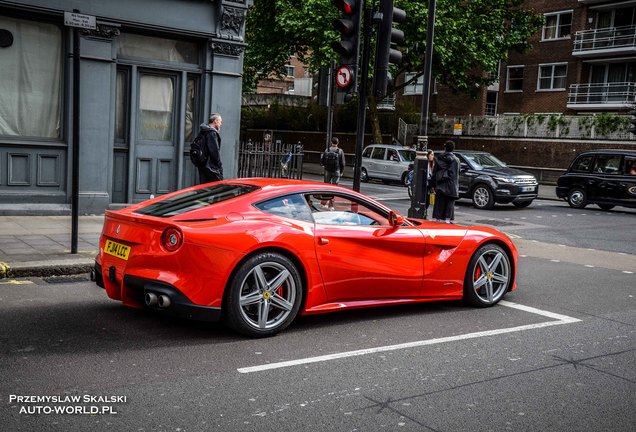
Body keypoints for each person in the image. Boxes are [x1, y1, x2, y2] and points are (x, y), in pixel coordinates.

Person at [431, 140, 460, 223]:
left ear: (445, 148)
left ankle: (438, 219)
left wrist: (433, 185)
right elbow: (457, 174)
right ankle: (447, 220)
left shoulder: (439, 158)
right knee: (450, 204)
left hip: (440, 184)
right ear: (453, 149)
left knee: (439, 203)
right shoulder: (456, 160)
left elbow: (434, 173)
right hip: (451, 186)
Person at [197, 113, 223, 184]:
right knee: (216, 188)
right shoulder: (212, 133)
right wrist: (219, 166)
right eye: (220, 121)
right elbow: (214, 152)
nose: (221, 124)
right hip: (211, 167)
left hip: (203, 164)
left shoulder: (204, 131)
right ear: (215, 121)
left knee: (204, 188)